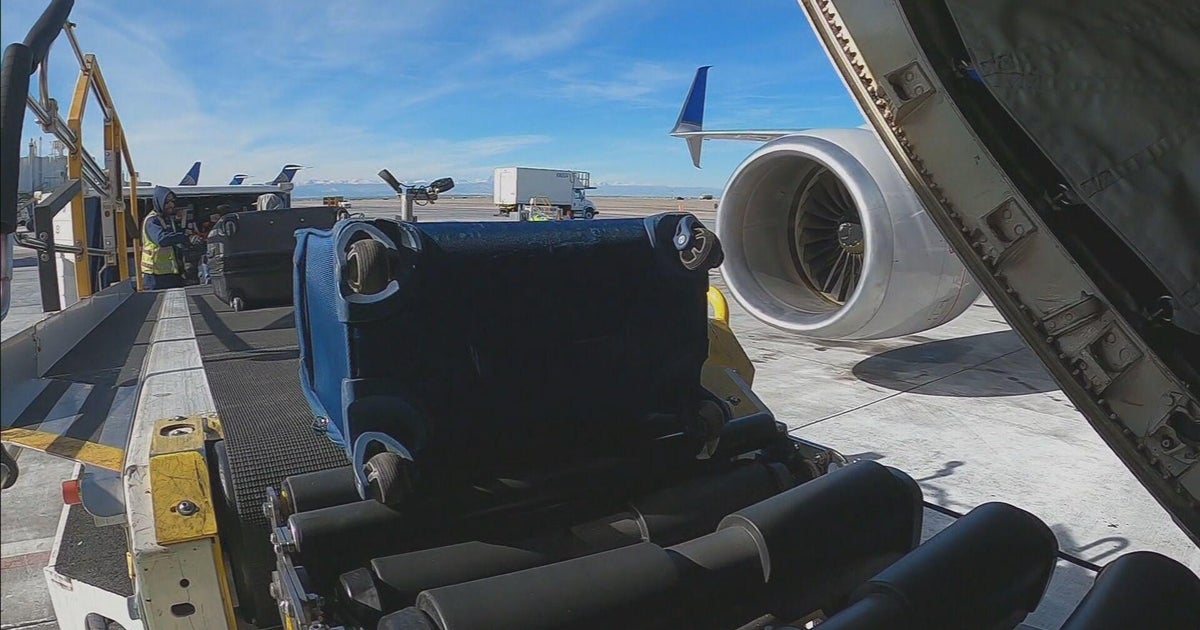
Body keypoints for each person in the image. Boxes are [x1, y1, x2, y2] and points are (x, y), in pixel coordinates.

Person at [140, 186, 199, 290]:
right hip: (155, 277)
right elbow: (162, 240)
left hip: (171, 274)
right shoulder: (152, 221)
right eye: (167, 202)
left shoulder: (165, 219)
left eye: (172, 201)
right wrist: (185, 237)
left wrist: (187, 234)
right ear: (159, 202)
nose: (171, 204)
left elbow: (173, 239)